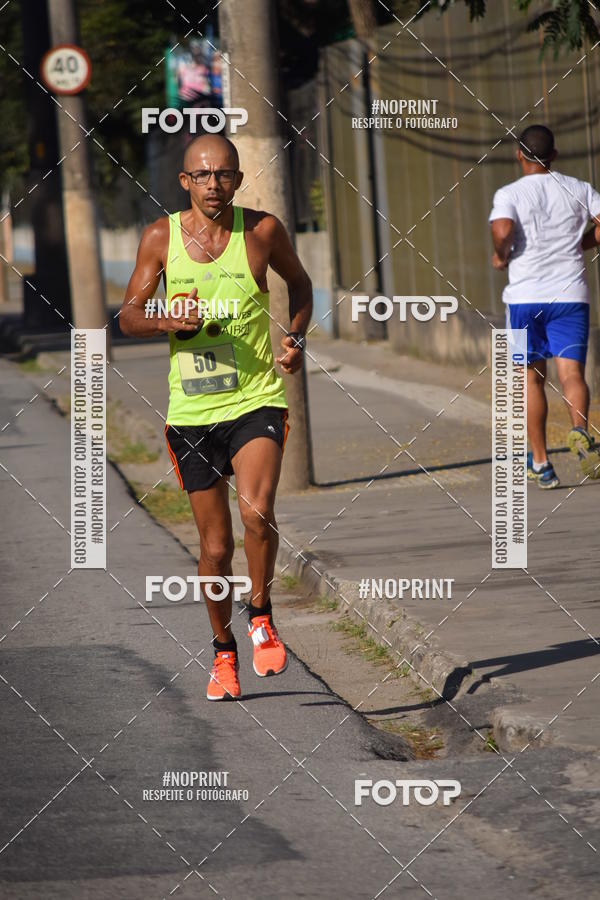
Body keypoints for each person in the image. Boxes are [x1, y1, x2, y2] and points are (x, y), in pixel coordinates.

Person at [120, 134, 312, 699]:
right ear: (184, 182)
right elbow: (127, 316)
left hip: (255, 398)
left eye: (223, 174)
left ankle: (261, 613)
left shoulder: (262, 231)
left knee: (257, 511)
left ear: (238, 178)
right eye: (201, 175)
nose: (213, 184)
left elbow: (299, 284)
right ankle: (223, 652)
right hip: (191, 411)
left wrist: (295, 335)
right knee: (213, 548)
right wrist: (165, 320)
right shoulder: (160, 237)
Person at [489, 124, 600, 488]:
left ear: (518, 155)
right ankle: (580, 431)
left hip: (523, 302)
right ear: (553, 156)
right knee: (572, 376)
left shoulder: (509, 193)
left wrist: (501, 255)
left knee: (530, 380)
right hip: (570, 297)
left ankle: (541, 464)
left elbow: (503, 231)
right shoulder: (579, 188)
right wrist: (582, 244)